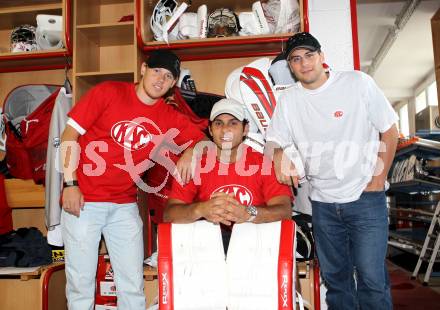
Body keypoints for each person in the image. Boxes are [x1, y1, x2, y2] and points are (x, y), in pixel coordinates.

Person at [60, 50, 205, 310]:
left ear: (173, 84)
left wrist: (190, 151)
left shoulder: (169, 116)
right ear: (143, 69)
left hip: (124, 206)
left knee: (132, 284)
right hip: (84, 200)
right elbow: (69, 135)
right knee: (80, 284)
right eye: (156, 70)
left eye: (168, 76)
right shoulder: (108, 93)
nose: (160, 79)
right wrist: (70, 184)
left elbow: (204, 141)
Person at [265, 32, 399, 310]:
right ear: (290, 66)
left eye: (309, 55)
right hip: (324, 205)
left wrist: (378, 179)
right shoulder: (289, 101)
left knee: (372, 280)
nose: (304, 64)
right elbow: (273, 139)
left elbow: (390, 130)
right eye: (296, 59)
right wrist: (278, 153)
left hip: (366, 199)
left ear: (322, 57)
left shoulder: (357, 83)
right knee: (335, 282)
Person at [164, 98, 292, 251]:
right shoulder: (193, 164)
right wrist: (201, 210)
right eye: (218, 123)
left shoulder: (264, 164)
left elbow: (285, 211)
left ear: (245, 129)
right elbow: (169, 214)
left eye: (233, 123)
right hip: (207, 248)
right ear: (210, 130)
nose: (225, 129)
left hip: (255, 246)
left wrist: (248, 213)